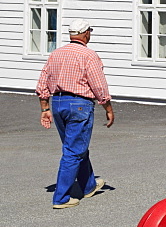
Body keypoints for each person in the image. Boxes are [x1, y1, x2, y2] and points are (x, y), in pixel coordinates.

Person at [35, 18, 114, 209]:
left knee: (76, 146)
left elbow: (42, 82)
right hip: (79, 104)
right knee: (73, 150)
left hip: (58, 102)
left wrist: (44, 108)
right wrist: (108, 108)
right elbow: (99, 85)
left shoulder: (56, 54)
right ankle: (61, 198)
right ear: (86, 33)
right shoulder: (88, 55)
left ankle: (88, 186)